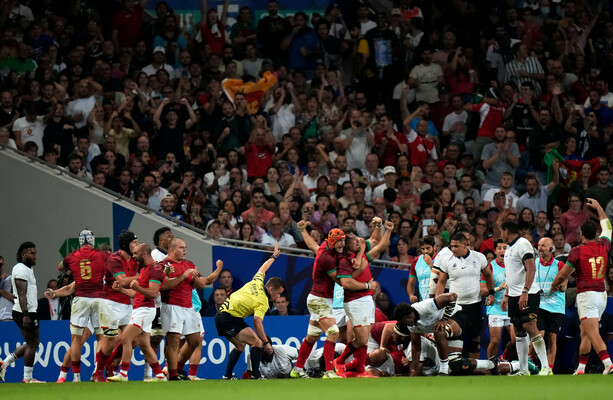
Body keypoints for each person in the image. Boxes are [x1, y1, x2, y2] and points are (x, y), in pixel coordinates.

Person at [551, 198, 613, 375]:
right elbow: (608, 228)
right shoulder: (603, 245)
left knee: (592, 332)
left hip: (586, 295)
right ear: (595, 233)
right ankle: (581, 368)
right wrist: (600, 208)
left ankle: (608, 363)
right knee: (584, 331)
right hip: (601, 295)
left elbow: (564, 274)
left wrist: (554, 285)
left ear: (581, 233)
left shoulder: (577, 250)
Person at [291, 224, 353, 379]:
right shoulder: (327, 258)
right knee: (333, 332)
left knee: (312, 337)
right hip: (319, 300)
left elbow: (312, 245)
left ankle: (297, 369)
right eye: (339, 242)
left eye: (343, 241)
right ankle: (329, 371)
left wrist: (303, 230)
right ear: (332, 242)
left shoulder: (324, 248)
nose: (342, 245)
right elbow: (340, 281)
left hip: (319, 299)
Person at [334, 220, 394, 377]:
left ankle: (360, 370)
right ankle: (340, 361)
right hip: (355, 301)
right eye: (353, 239)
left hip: (366, 299)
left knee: (364, 341)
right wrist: (367, 286)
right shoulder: (345, 260)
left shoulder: (357, 253)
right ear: (346, 244)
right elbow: (345, 283)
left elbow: (376, 243)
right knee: (360, 340)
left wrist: (383, 229)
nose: (358, 240)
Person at [215, 242, 283, 380]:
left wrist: (273, 257)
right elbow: (257, 322)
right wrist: (266, 342)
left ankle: (227, 376)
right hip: (229, 318)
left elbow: (262, 269)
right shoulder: (263, 301)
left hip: (220, 316)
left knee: (240, 345)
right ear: (271, 290)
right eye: (278, 293)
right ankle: (256, 375)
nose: (278, 296)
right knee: (257, 343)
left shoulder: (256, 282)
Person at [160, 238, 223, 380]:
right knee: (174, 341)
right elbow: (162, 285)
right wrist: (183, 276)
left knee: (195, 340)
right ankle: (173, 374)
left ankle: (179, 368)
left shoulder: (189, 264)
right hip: (171, 306)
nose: (185, 250)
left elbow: (203, 283)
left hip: (188, 308)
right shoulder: (163, 265)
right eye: (181, 248)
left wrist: (218, 268)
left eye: (185, 247)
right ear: (172, 250)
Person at [435, 231, 496, 374]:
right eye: (451, 246)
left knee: (475, 339)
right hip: (457, 309)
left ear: (465, 244)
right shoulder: (447, 260)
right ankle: (444, 369)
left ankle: (482, 368)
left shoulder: (478, 257)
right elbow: (441, 282)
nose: (453, 249)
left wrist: (492, 293)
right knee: (442, 332)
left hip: (475, 307)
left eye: (456, 246)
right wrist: (437, 304)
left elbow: (488, 275)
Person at [107, 244, 167, 382]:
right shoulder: (145, 269)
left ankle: (123, 374)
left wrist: (138, 286)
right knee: (145, 345)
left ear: (144, 253)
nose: (133, 256)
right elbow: (134, 294)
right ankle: (159, 375)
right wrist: (120, 290)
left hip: (145, 310)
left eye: (135, 253)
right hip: (140, 309)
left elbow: (153, 293)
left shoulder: (156, 270)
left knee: (125, 338)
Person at [54, 229, 108, 382]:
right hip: (98, 299)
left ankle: (76, 377)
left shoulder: (72, 256)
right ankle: (97, 373)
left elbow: (60, 267)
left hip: (81, 299)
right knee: (101, 337)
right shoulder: (102, 255)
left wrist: (73, 265)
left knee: (76, 340)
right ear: (92, 241)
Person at [500, 220, 552, 376]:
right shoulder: (509, 248)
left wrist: (525, 291)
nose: (500, 235)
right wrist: (507, 295)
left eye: (501, 231)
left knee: (530, 326)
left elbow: (531, 268)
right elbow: (511, 274)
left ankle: (546, 367)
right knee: (519, 331)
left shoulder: (523, 244)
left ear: (507, 230)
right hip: (514, 295)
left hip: (528, 294)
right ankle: (523, 370)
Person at [92, 230, 139, 382]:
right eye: (134, 243)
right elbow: (123, 280)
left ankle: (109, 365)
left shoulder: (135, 259)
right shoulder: (114, 259)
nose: (136, 246)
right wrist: (143, 276)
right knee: (111, 341)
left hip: (126, 303)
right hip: (109, 304)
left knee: (134, 339)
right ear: (126, 245)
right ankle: (98, 372)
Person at [0, 242, 41, 383]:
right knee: (32, 343)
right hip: (24, 311)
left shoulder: (27, 269)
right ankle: (27, 378)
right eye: (31, 253)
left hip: (29, 310)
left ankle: (4, 364)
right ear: (23, 255)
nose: (34, 255)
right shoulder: (20, 269)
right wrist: (25, 314)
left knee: (33, 342)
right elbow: (21, 294)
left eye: (35, 253)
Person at [535, 237, 566, 371]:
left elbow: (564, 287)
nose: (540, 248)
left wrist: (556, 286)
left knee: (552, 337)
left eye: (543, 246)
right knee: (538, 335)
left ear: (551, 248)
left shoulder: (559, 265)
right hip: (539, 305)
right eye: (539, 245)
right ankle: (531, 362)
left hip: (555, 306)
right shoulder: (534, 263)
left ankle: (548, 369)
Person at [481, 239, 514, 359]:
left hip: (511, 308)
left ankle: (503, 357)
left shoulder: (514, 265)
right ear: (495, 251)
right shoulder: (490, 267)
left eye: (505, 248)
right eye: (499, 248)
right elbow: (482, 290)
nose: (502, 250)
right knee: (495, 341)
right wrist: (497, 289)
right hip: (495, 308)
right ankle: (491, 366)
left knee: (516, 340)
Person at [407, 236, 436, 302]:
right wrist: (411, 295)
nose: (425, 251)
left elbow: (444, 279)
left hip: (438, 303)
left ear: (434, 247)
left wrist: (430, 264)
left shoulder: (441, 258)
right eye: (423, 249)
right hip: (423, 302)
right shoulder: (416, 261)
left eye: (428, 248)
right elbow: (411, 284)